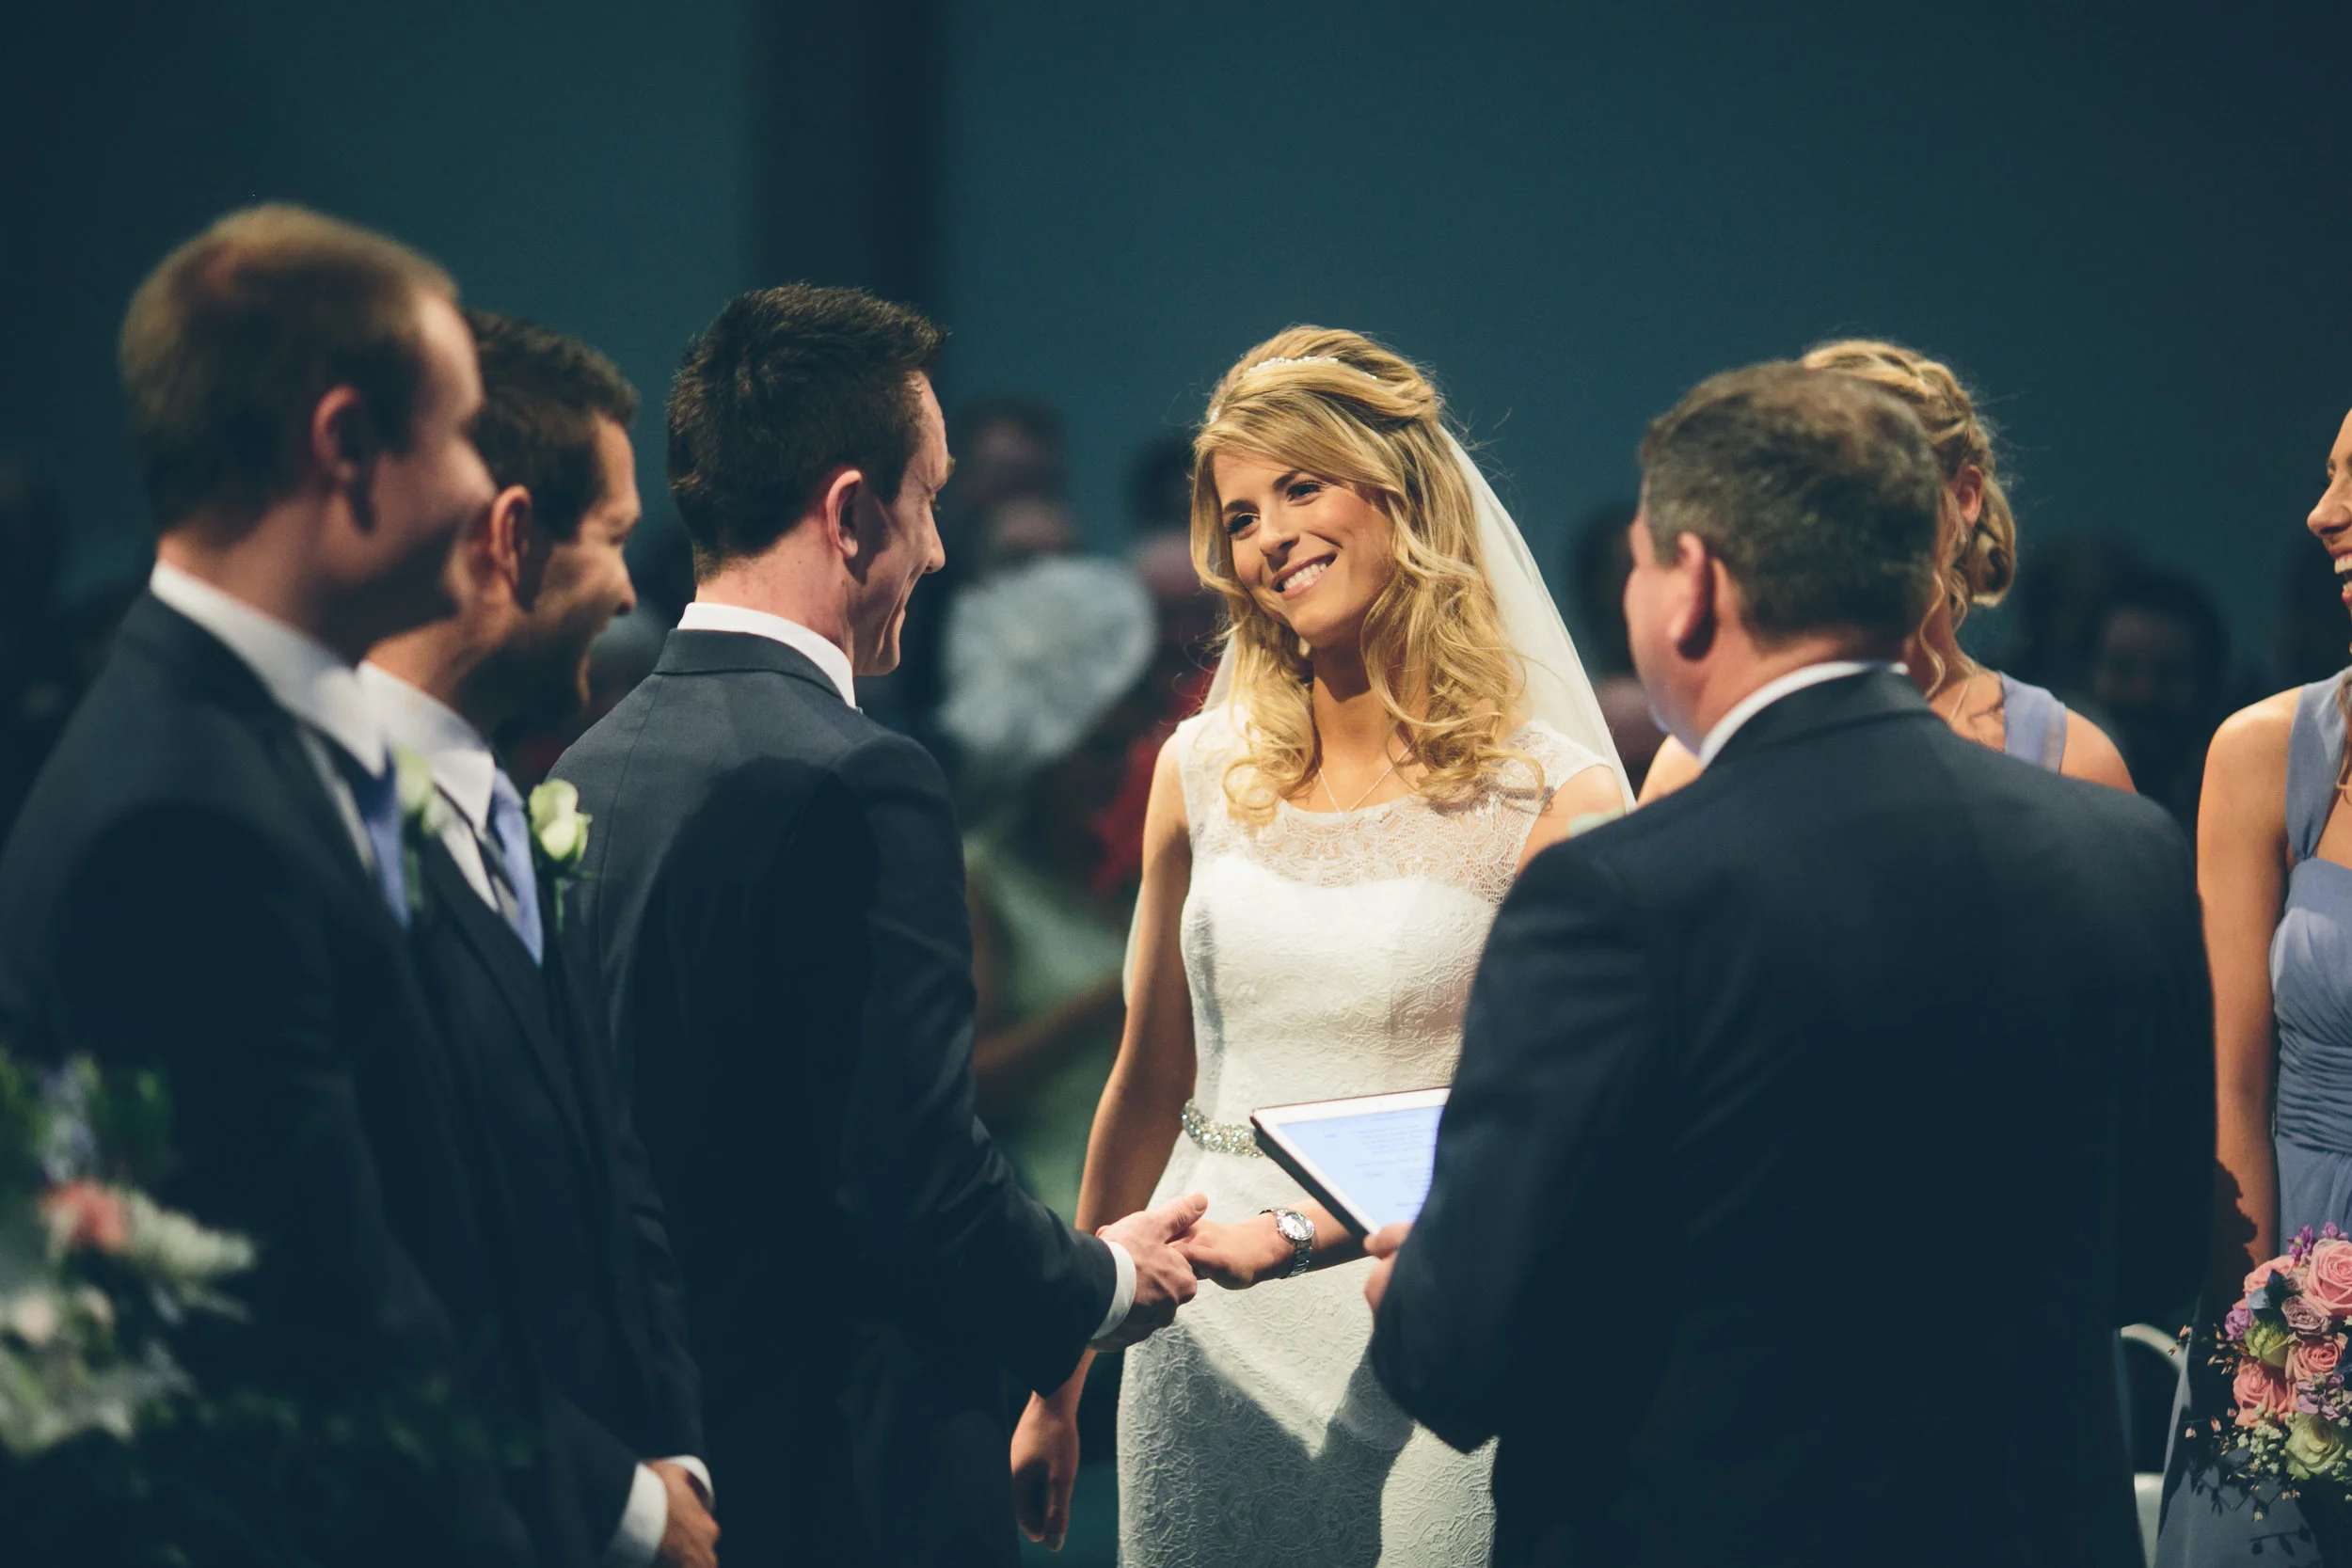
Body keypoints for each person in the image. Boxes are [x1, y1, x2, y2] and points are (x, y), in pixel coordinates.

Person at [1364, 362, 2212, 1568]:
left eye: (1641, 558)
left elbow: (1456, 1352)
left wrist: (1429, 1283)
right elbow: (2160, 1250)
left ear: (1694, 582)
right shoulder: (2121, 847)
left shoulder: (1618, 895)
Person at [548, 283, 1203, 1568]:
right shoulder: (862, 776)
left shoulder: (585, 770)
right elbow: (918, 1184)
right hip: (847, 1474)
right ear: (854, 513)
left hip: (671, 1458)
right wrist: (1106, 1277)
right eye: (930, 499)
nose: (943, 550)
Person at [1009, 327, 1629, 1565]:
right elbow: (1145, 1080)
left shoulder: (1554, 796)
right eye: (1240, 514)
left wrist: (1304, 1233)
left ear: (1400, 491)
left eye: (1301, 486)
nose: (1268, 535)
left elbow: (1541, 1125)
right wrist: (1060, 1373)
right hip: (1204, 1326)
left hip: (1415, 1312)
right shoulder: (1199, 769)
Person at [0, 206, 558, 1563]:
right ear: (349, 448)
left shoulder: (252, 739)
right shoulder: (181, 814)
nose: (489, 478)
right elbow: (323, 1304)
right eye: (465, 430)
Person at [360, 309, 715, 1568]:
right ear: (513, 535)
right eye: (614, 538)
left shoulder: (511, 801)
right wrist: (618, 1502)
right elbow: (366, 1261)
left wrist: (673, 1446)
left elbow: (617, 1180)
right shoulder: (322, 828)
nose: (630, 586)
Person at [2155, 404, 2352, 1565]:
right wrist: (2256, 1351)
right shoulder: (2265, 754)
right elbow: (2231, 1087)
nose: (2321, 515)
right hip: (2291, 1304)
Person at [1641, 340, 2133, 799]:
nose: (1856, 525)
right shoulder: (1701, 760)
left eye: (1891, 491)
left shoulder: (2075, 759)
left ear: (1965, 497)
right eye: (1819, 496)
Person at [943, 554, 1159, 1221]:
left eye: (1126, 745)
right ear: (1042, 754)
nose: (1116, 770)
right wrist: (1111, 996)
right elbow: (968, 1082)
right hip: (1053, 1199)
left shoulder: (1137, 861)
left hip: (1172, 1174)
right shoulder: (985, 874)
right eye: (1097, 748)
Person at [2091, 565, 2232, 831]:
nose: (2142, 693)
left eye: (2169, 674)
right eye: (2122, 668)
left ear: (2209, 684)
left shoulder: (2237, 809)